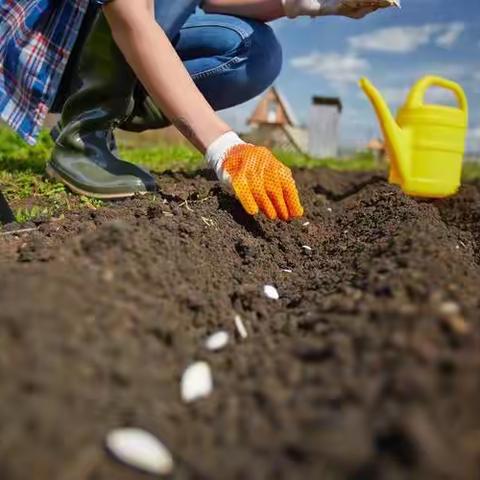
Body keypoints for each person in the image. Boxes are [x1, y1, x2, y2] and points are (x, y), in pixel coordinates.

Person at [0, 0, 397, 221]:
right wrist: (224, 147)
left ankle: (109, 109)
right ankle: (84, 135)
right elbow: (131, 14)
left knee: (256, 52)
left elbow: (215, 0)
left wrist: (315, 2)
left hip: (94, 40)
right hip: (39, 46)